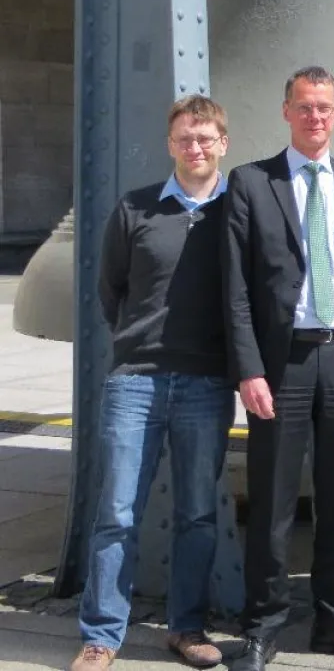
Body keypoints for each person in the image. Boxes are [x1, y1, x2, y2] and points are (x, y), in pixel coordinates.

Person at [223, 66, 334, 670]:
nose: (316, 117)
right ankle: (264, 623)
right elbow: (237, 290)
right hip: (282, 362)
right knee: (271, 502)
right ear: (286, 111)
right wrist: (249, 369)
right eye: (305, 107)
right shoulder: (250, 183)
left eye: (325, 107)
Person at [70, 96, 236, 671]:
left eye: (206, 138)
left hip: (207, 384)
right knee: (117, 512)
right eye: (185, 139)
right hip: (135, 381)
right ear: (171, 145)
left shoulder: (237, 212)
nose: (196, 148)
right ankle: (101, 636)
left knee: (196, 513)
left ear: (222, 144)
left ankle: (186, 628)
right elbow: (110, 290)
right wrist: (140, 340)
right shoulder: (135, 208)